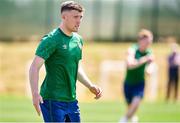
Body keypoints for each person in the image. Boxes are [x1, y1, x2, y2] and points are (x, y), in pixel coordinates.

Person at [29, 1, 102, 122]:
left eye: (80, 17)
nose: (79, 21)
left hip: (72, 101)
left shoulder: (78, 40)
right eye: (75, 17)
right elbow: (34, 67)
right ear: (64, 17)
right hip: (53, 100)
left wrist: (90, 85)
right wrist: (35, 93)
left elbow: (76, 68)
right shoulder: (51, 39)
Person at [119, 29, 154, 123]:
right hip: (128, 83)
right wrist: (145, 59)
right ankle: (133, 117)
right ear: (140, 40)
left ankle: (123, 120)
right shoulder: (132, 49)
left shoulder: (149, 53)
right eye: (147, 41)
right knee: (130, 106)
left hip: (140, 84)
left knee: (136, 103)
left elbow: (150, 68)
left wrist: (149, 69)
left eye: (150, 42)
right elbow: (129, 65)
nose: (148, 44)